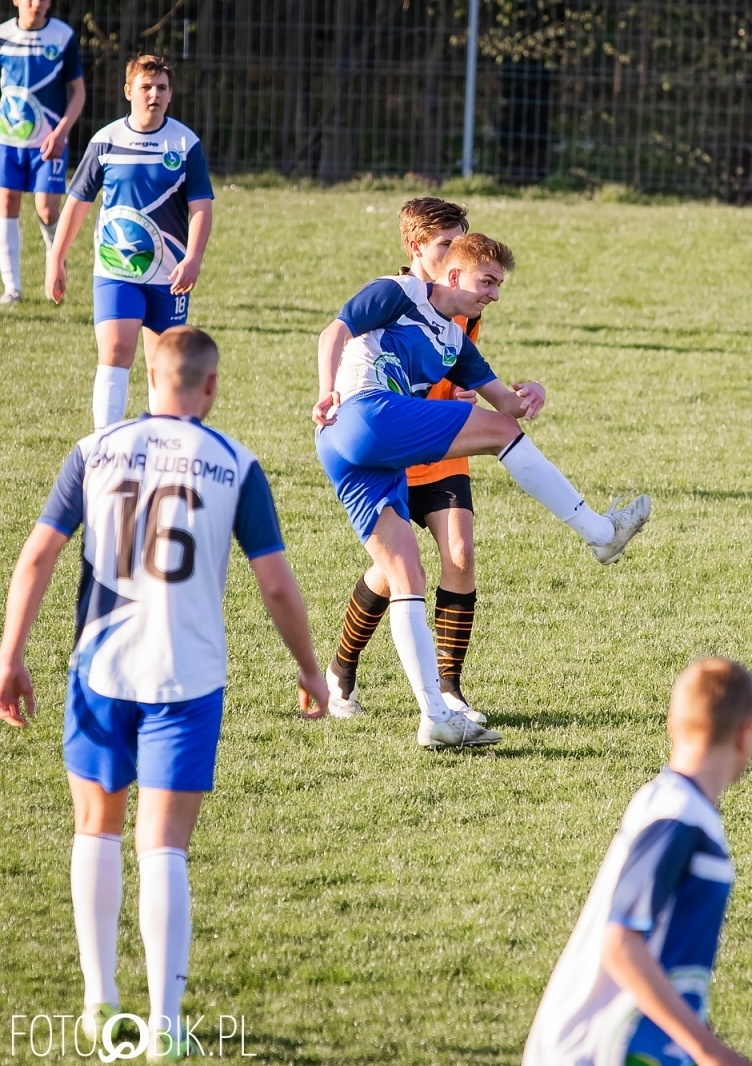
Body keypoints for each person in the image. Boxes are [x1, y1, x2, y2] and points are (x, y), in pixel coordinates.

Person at [0, 327, 329, 1059]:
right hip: (188, 678)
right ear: (211, 386)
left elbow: (37, 557)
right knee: (165, 848)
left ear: (150, 372)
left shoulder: (93, 451)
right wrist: (310, 668)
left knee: (97, 828)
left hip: (100, 670)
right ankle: (168, 1022)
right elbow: (275, 583)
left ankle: (98, 1004)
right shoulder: (235, 465)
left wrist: (10, 654)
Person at [313, 233, 651, 749]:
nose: (494, 294)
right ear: (453, 275)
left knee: (405, 574)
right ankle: (601, 533)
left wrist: (531, 392)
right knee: (496, 436)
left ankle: (435, 717)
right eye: (487, 282)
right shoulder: (399, 292)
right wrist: (326, 391)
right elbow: (331, 333)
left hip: (352, 452)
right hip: (360, 416)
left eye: (498, 285)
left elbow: (508, 408)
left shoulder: (455, 342)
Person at [524, 657, 752, 1066]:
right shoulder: (678, 817)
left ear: (672, 723)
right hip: (595, 1050)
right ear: (746, 734)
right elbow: (620, 944)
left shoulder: (677, 806)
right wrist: (707, 1050)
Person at [327, 197, 492, 724]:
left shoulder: (463, 302)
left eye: (461, 243)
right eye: (446, 244)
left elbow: (463, 368)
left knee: (460, 553)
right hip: (391, 445)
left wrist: (471, 396)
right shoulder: (392, 297)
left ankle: (449, 691)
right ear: (417, 247)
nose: (456, 253)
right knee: (393, 569)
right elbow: (364, 363)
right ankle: (343, 665)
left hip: (442, 446)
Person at [45, 54, 213, 429]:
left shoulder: (185, 144)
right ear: (128, 91)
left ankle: (158, 448)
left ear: (171, 95)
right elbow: (78, 203)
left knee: (163, 363)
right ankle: (104, 445)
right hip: (116, 269)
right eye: (146, 87)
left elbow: (202, 206)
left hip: (169, 274)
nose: (154, 94)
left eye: (162, 88)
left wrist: (194, 258)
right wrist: (56, 258)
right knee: (117, 349)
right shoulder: (106, 141)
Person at [0, 0, 84, 303]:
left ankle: (56, 264)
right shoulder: (3, 35)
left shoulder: (62, 36)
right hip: (7, 141)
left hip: (48, 142)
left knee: (47, 208)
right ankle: (12, 288)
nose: (36, 4)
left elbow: (79, 91)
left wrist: (61, 131)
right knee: (7, 204)